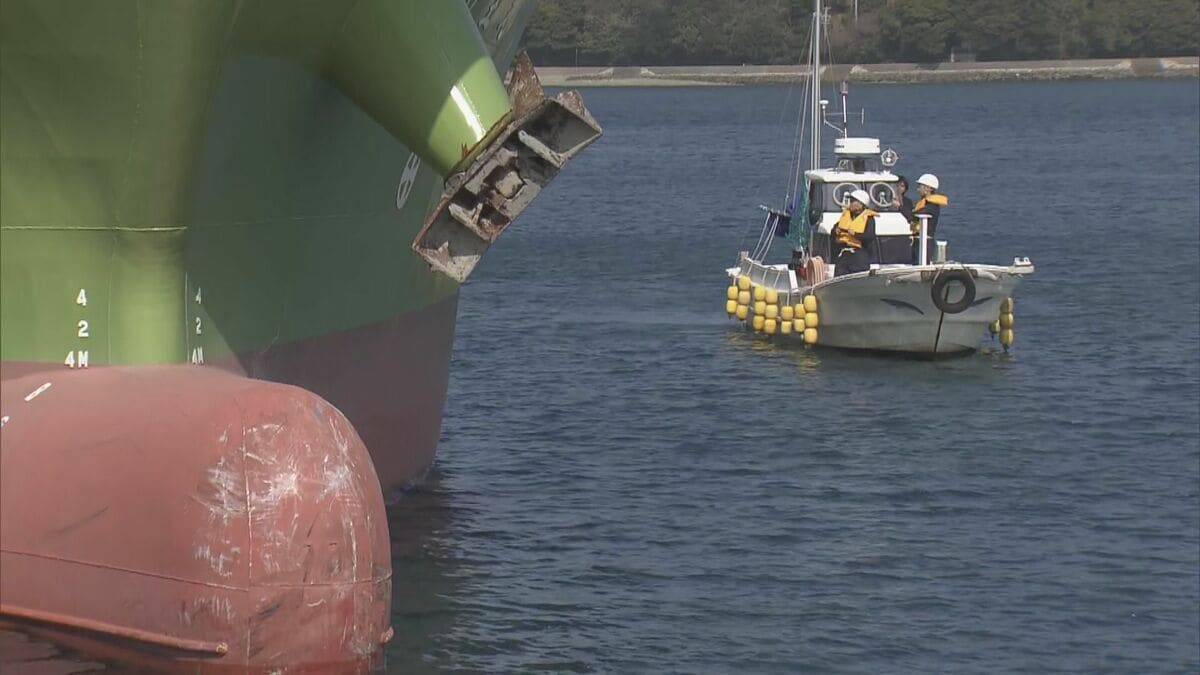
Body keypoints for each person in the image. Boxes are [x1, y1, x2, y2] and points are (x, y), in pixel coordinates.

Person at [832, 189, 878, 276]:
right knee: (839, 278)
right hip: (844, 255)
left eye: (853, 201)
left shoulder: (869, 219)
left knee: (858, 277)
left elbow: (870, 236)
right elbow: (834, 229)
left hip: (859, 256)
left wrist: (855, 234)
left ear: (861, 204)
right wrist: (835, 230)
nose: (850, 203)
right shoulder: (847, 215)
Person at [910, 173, 948, 263]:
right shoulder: (925, 203)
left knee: (921, 263)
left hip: (925, 242)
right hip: (918, 241)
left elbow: (914, 215)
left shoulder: (932, 205)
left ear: (929, 188)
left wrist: (900, 207)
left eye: (920, 186)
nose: (918, 189)